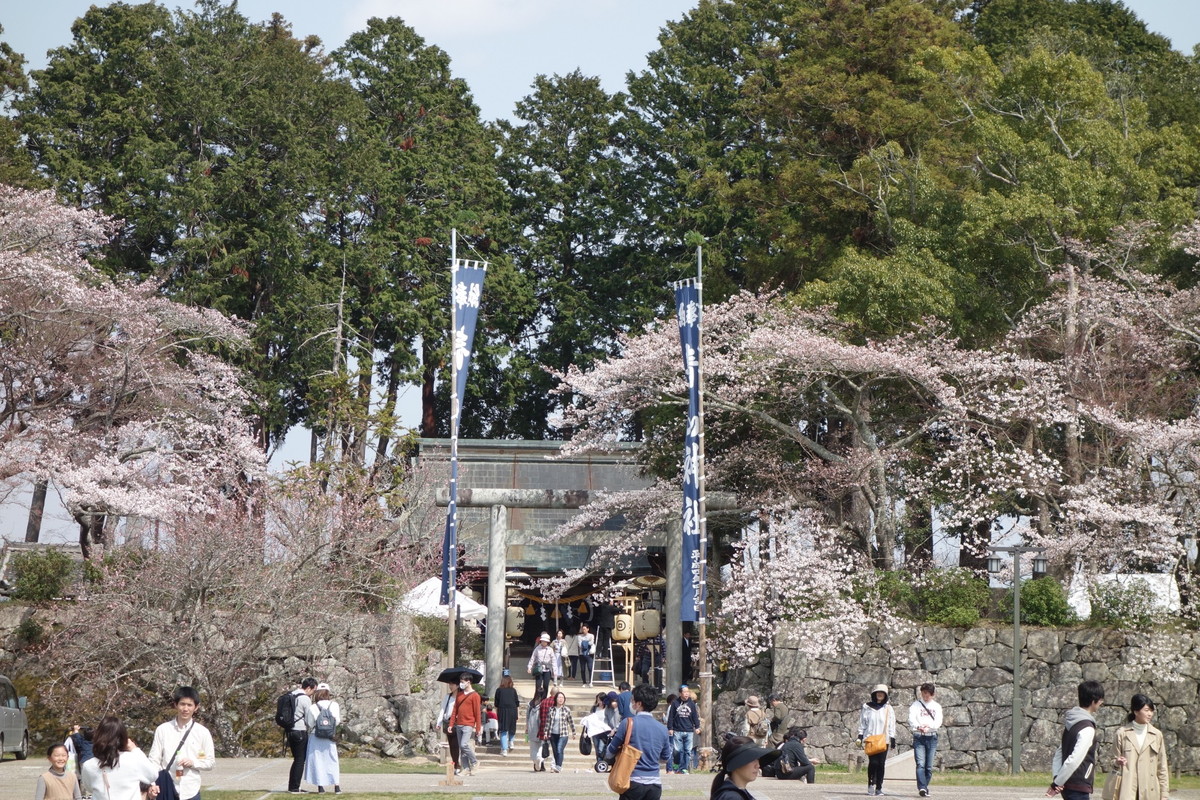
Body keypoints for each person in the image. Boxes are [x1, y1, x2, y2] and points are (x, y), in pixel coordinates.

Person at [603, 684, 672, 800]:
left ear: (639, 704)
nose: (631, 703)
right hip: (654, 784)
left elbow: (610, 752)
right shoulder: (662, 729)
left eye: (632, 700)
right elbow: (665, 758)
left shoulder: (628, 723)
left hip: (633, 781)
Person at [150, 686, 215, 800]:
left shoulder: (202, 732)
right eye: (182, 704)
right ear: (176, 705)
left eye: (189, 705)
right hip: (166, 787)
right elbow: (154, 760)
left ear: (196, 707)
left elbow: (210, 762)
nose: (185, 709)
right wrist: (152, 784)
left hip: (190, 789)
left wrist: (193, 762)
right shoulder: (163, 729)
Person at [1048, 680, 1106, 799]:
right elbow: (1074, 759)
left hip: (1067, 786)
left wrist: (1057, 778)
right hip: (1078, 787)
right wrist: (1057, 783)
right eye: (1100, 699)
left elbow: (1059, 753)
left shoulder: (1072, 722)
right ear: (1093, 701)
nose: (1101, 702)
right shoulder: (1087, 728)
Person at [81, 716, 160, 800]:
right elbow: (152, 775)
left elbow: (89, 787)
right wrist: (135, 749)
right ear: (124, 738)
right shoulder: (133, 759)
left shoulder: (88, 765)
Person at [1108, 693, 1169, 800]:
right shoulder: (1122, 733)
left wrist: (1164, 794)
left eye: (1151, 710)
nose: (1150, 714)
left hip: (1150, 791)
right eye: (1146, 710)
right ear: (1136, 711)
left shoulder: (1156, 735)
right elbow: (1112, 761)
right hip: (1128, 790)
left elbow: (1162, 767)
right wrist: (1117, 762)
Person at [709, 735, 781, 800]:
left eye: (758, 759)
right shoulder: (732, 797)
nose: (758, 765)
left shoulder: (735, 793)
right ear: (736, 763)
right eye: (752, 759)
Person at [856, 683, 896, 797]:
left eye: (882, 693)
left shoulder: (888, 708)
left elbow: (891, 724)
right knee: (873, 763)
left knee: (881, 764)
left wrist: (892, 738)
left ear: (885, 695)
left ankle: (879, 787)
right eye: (878, 692)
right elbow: (862, 723)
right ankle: (871, 783)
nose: (880, 694)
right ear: (874, 694)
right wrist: (860, 736)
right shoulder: (867, 707)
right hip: (871, 738)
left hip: (884, 739)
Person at [303, 683, 341, 793]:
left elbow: (310, 723)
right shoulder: (334, 705)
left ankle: (320, 786)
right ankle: (336, 786)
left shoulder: (313, 707)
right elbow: (337, 721)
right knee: (332, 760)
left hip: (316, 735)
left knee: (318, 761)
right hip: (330, 736)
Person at [909, 682, 943, 798]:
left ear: (932, 694)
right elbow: (911, 719)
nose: (925, 696)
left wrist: (929, 727)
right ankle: (922, 788)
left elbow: (938, 721)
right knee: (920, 764)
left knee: (928, 767)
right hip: (919, 737)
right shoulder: (915, 705)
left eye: (927, 694)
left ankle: (924, 787)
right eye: (923, 693)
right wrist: (919, 727)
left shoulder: (936, 706)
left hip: (932, 737)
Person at [286, 678, 317, 794]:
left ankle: (292, 786)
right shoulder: (305, 699)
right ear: (308, 688)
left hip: (290, 730)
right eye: (313, 691)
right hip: (300, 730)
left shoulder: (292, 694)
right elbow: (309, 718)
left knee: (296, 759)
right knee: (300, 760)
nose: (313, 694)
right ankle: (295, 787)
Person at [449, 671, 482, 777]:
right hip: (459, 724)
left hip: (469, 724)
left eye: (462, 682)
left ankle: (474, 761)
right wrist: (451, 724)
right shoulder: (459, 695)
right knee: (461, 748)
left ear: (468, 682)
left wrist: (478, 727)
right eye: (460, 681)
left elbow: (477, 712)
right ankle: (466, 768)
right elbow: (455, 710)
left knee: (464, 744)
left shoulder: (475, 695)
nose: (461, 684)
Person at [666, 684, 702, 774]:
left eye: (687, 692)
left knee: (687, 751)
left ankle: (684, 768)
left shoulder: (692, 704)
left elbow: (695, 716)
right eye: (684, 692)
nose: (686, 694)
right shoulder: (675, 703)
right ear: (680, 693)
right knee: (677, 750)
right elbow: (670, 716)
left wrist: (697, 727)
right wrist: (670, 728)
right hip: (677, 730)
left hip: (689, 730)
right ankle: (677, 763)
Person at [542, 690, 575, 773]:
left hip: (563, 734)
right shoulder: (551, 710)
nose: (561, 699)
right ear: (556, 699)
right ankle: (557, 765)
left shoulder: (566, 710)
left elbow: (571, 721)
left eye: (562, 698)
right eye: (559, 697)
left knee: (559, 749)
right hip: (552, 734)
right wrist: (545, 732)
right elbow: (548, 722)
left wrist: (573, 732)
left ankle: (558, 766)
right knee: (555, 751)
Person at [581, 694, 614, 771]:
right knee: (596, 748)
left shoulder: (607, 708)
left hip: (604, 731)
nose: (599, 702)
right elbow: (590, 718)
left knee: (601, 748)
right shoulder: (594, 708)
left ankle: (602, 763)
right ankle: (599, 763)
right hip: (595, 731)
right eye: (598, 700)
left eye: (600, 700)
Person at [494, 675, 520, 757]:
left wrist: (497, 713)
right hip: (512, 710)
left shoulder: (499, 690)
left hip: (502, 711)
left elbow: (496, 704)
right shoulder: (513, 690)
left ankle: (504, 749)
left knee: (503, 730)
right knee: (512, 727)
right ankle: (511, 742)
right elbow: (517, 703)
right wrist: (517, 713)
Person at [528, 632, 559, 697]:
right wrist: (529, 667)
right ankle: (536, 699)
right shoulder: (537, 649)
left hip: (547, 670)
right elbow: (533, 658)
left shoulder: (550, 650)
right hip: (539, 669)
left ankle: (544, 698)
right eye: (543, 641)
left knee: (545, 685)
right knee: (538, 685)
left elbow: (554, 661)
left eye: (545, 641)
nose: (544, 642)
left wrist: (555, 671)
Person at [526, 692, 547, 773]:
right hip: (542, 729)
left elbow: (527, 717)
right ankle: (540, 760)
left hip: (532, 728)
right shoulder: (544, 704)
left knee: (533, 747)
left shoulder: (530, 704)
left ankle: (535, 762)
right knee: (541, 747)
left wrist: (527, 727)